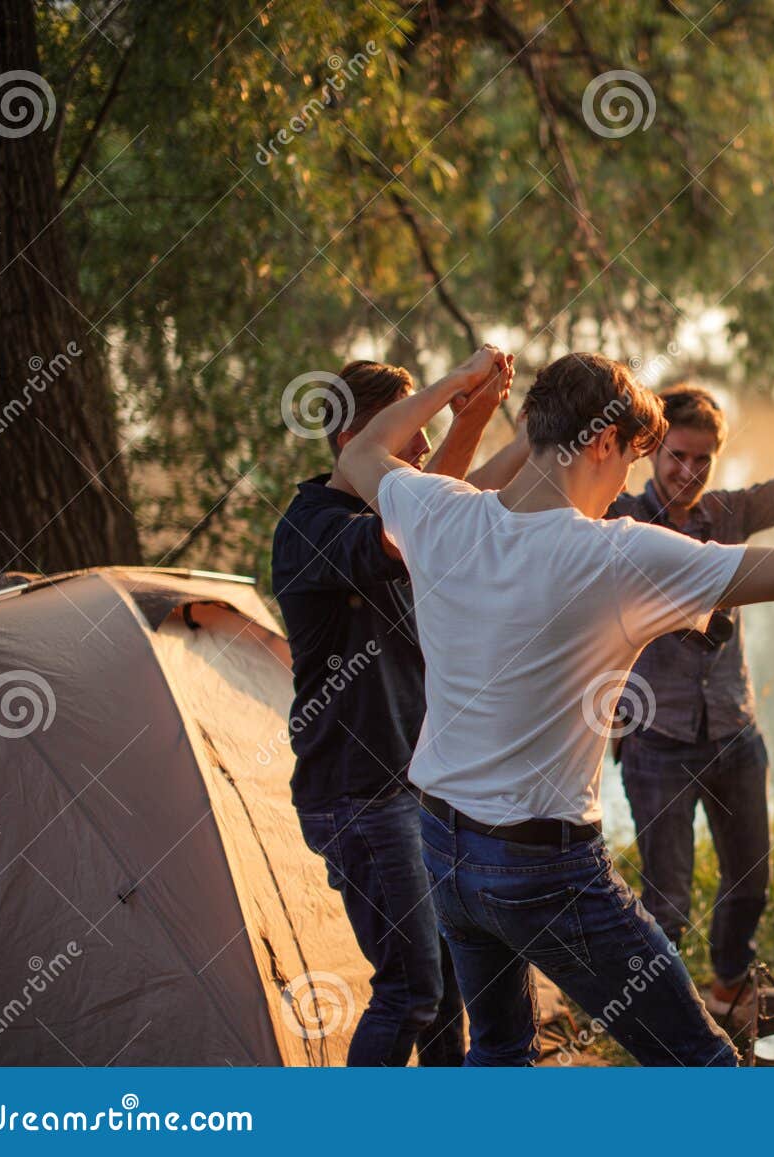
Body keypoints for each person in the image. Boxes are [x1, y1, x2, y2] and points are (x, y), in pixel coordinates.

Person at [334, 350, 774, 1066]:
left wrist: (456, 384)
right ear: (604, 442)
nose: (623, 484)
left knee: (496, 1050)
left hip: (443, 848)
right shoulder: (614, 554)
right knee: (701, 1066)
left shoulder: (435, 507)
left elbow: (364, 448)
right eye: (628, 460)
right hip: (539, 866)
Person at [469, 355, 774, 1013]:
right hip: (655, 739)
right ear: (649, 451)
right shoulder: (610, 513)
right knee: (667, 899)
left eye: (703, 460)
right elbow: (513, 506)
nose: (688, 472)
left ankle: (730, 982)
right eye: (677, 455)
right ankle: (664, 1018)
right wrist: (530, 427)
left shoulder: (729, 515)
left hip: (733, 729)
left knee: (752, 880)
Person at [271, 348, 512, 1065]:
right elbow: (415, 521)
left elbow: (448, 500)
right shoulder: (313, 527)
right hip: (358, 796)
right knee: (410, 989)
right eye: (412, 430)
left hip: (416, 790)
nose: (426, 444)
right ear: (358, 442)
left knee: (444, 991)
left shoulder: (394, 515)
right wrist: (455, 386)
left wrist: (504, 420)